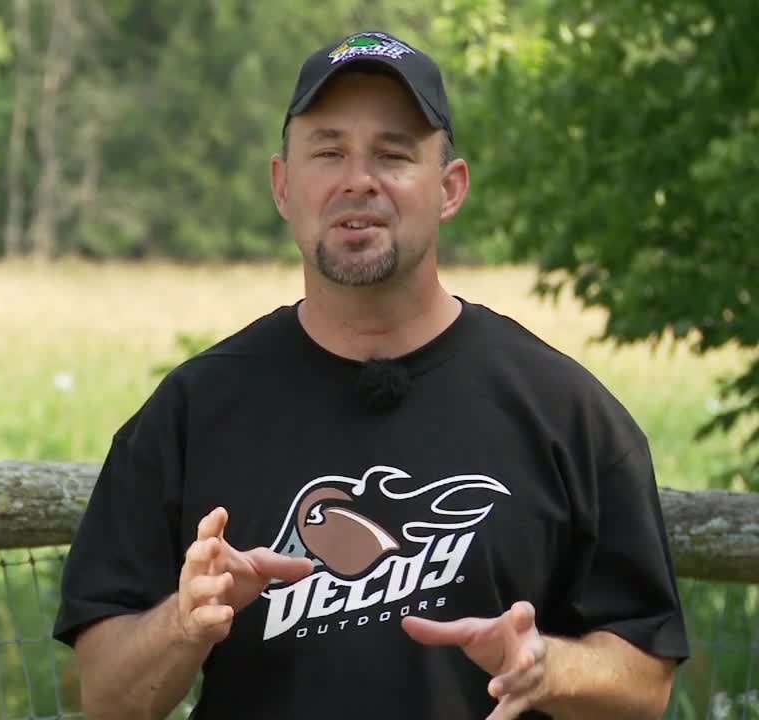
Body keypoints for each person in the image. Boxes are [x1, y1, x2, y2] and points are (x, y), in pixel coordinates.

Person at [51, 29, 690, 720]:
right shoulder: (191, 412)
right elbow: (108, 700)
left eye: (393, 154)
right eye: (328, 152)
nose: (359, 180)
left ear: (450, 189)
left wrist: (549, 668)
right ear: (283, 185)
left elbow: (646, 686)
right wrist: (185, 623)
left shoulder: (564, 414)